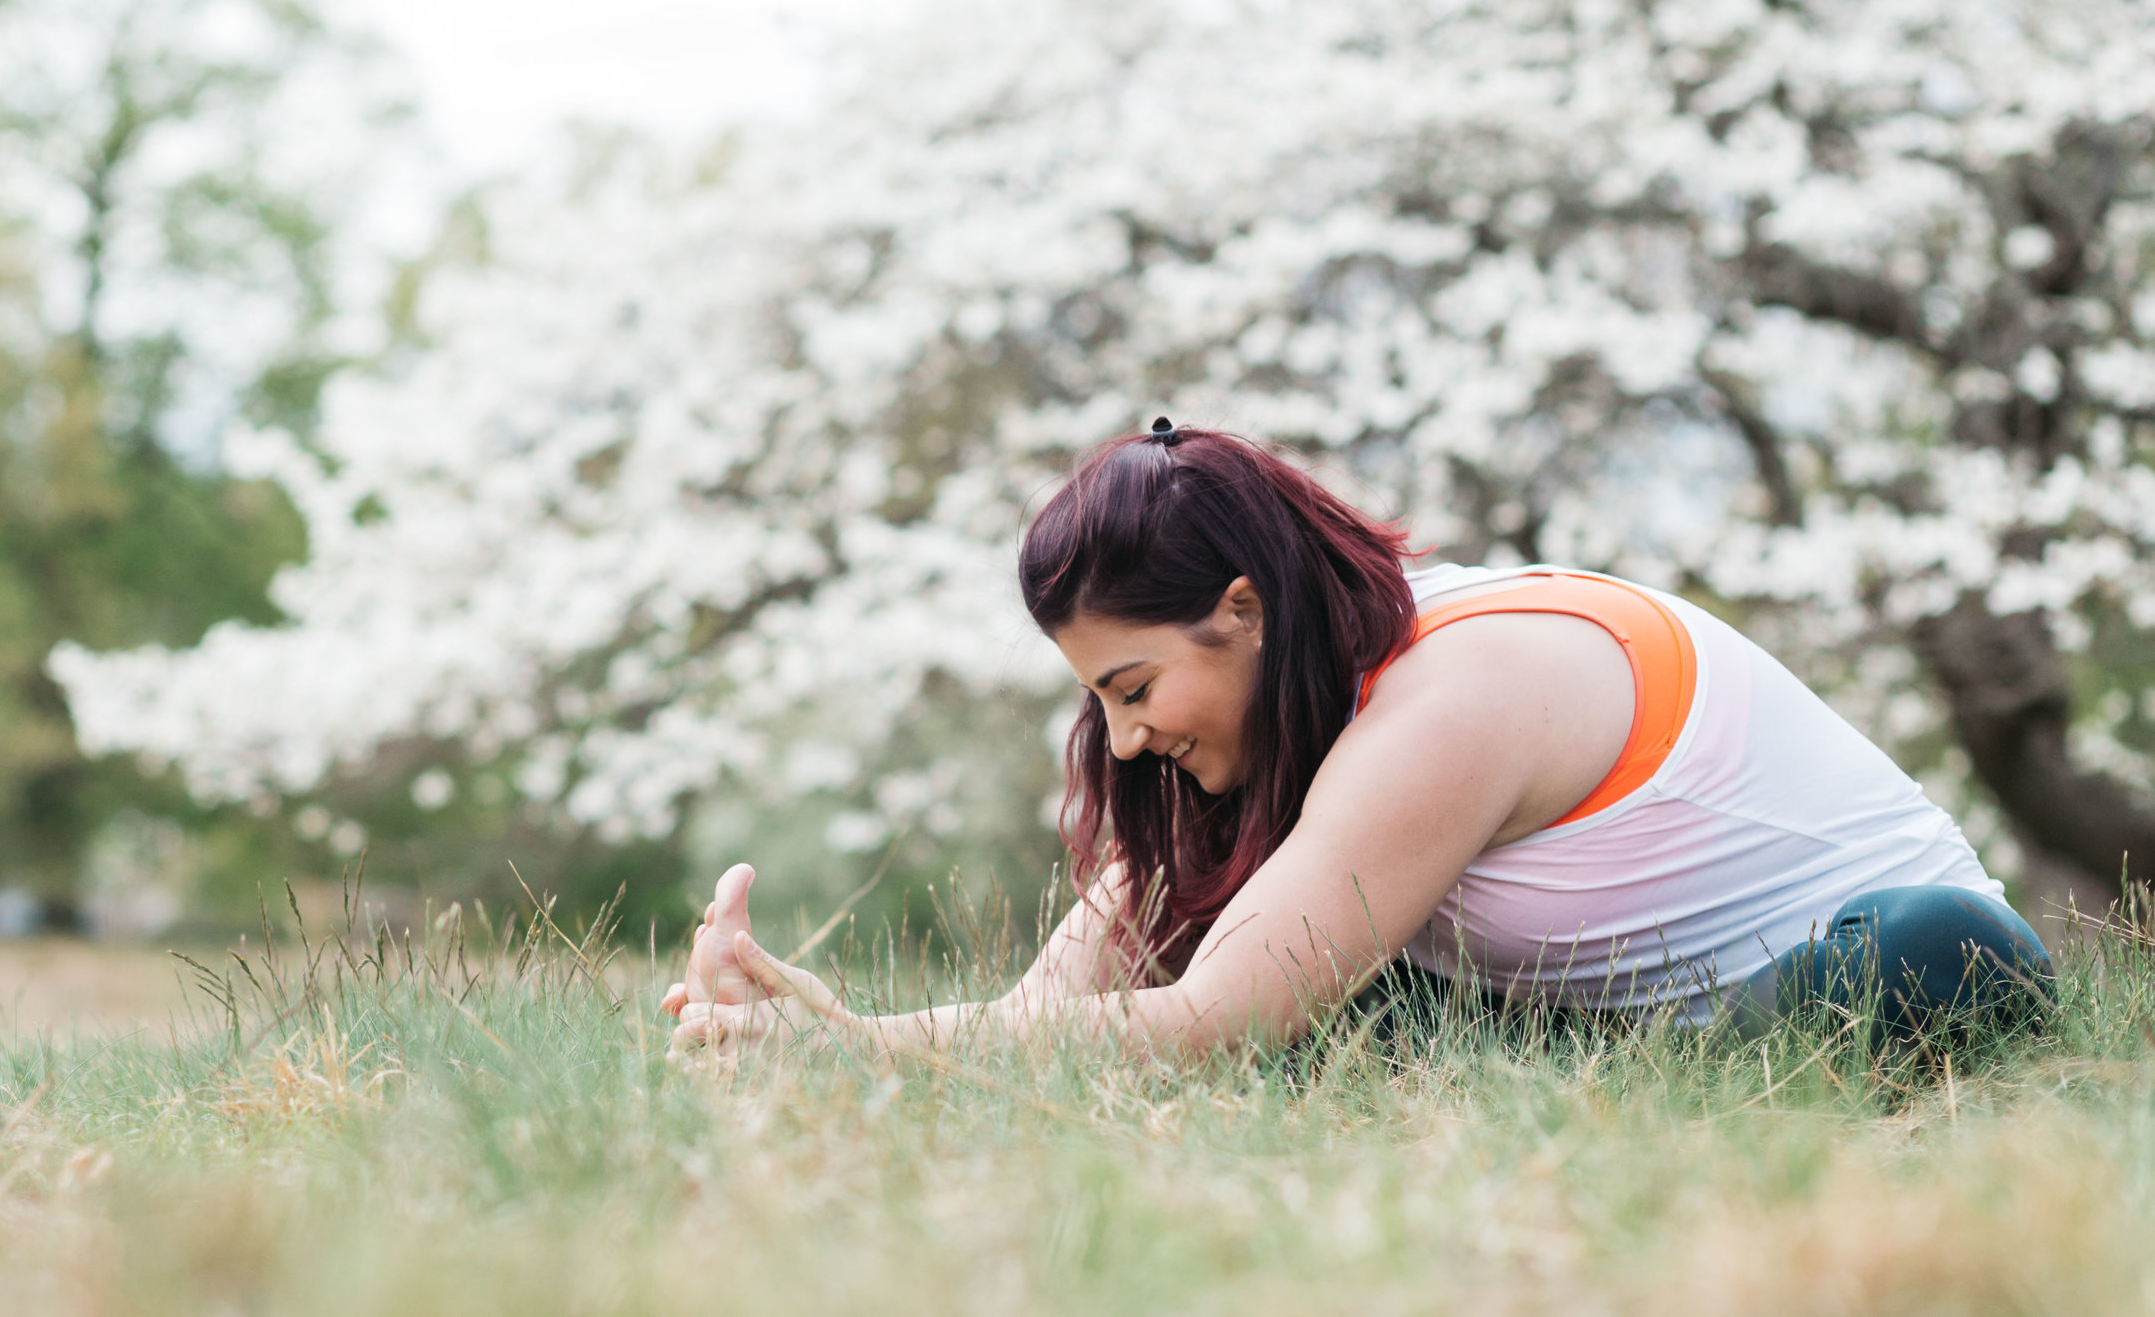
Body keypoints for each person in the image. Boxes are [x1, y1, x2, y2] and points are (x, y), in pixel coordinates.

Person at [664, 422, 2053, 1064]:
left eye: (1135, 685)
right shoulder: (1280, 731)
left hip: (1856, 961)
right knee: (1344, 1013)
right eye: (1099, 698)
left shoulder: (1459, 694)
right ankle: (1573, 1078)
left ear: (1243, 610)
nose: (1126, 738)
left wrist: (849, 1056)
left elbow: (1200, 1025)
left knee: (1938, 947)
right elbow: (1052, 1019)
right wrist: (822, 1028)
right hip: (1613, 1034)